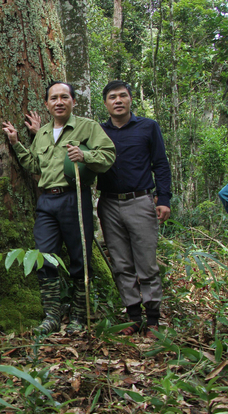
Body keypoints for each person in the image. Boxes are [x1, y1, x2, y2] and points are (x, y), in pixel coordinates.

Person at [2, 82, 116, 335]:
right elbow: (34, 165)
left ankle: (79, 314)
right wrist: (16, 142)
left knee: (80, 258)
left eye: (65, 97)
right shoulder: (42, 133)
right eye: (54, 98)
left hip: (75, 197)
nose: (59, 102)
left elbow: (109, 155)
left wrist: (85, 157)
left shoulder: (88, 127)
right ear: (47, 104)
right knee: (44, 257)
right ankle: (52, 315)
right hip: (47, 202)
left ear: (73, 101)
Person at [97, 80, 172, 338]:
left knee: (146, 262)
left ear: (130, 100)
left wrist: (164, 199)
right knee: (120, 263)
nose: (118, 100)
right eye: (112, 97)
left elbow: (160, 163)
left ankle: (152, 321)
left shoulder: (148, 127)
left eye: (123, 96)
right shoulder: (97, 131)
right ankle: (133, 317)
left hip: (140, 200)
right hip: (107, 203)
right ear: (105, 103)